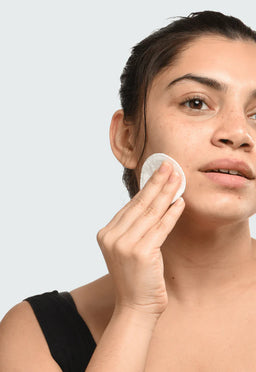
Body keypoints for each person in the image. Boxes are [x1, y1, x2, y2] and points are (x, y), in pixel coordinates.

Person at [1, 9, 256, 371]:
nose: (239, 133)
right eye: (196, 103)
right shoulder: (34, 333)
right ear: (127, 138)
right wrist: (136, 311)